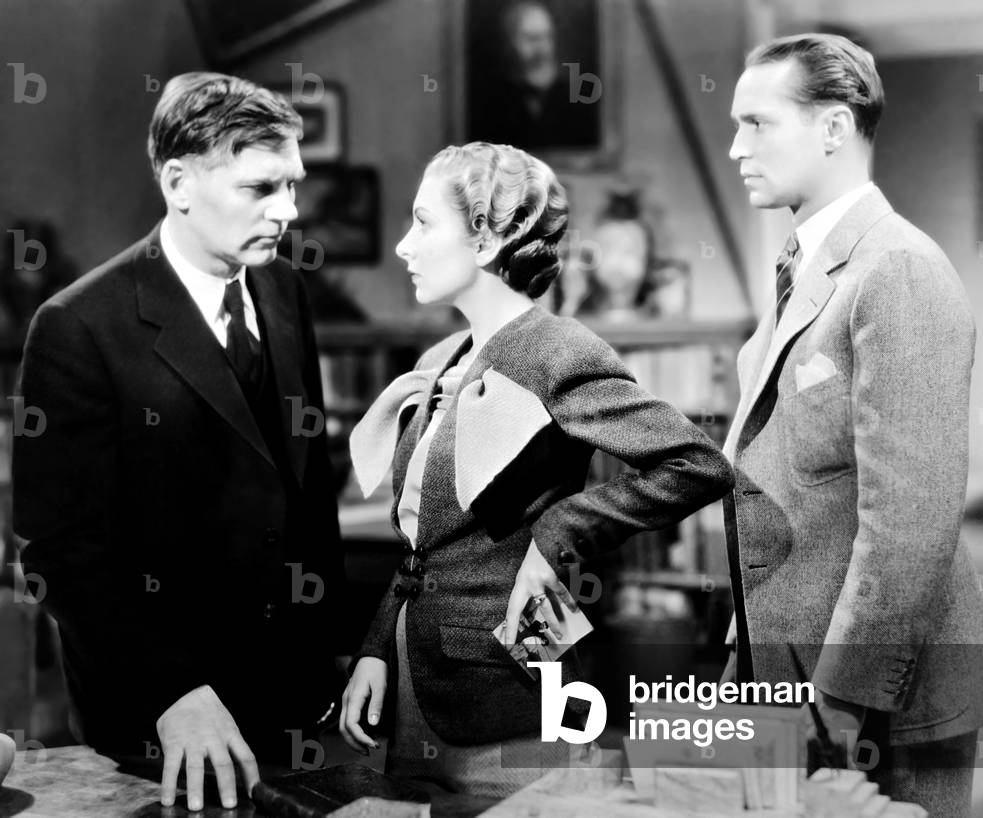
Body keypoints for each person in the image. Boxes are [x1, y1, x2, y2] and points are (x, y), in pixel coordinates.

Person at [340, 142, 733, 796]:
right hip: (414, 680)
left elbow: (695, 465)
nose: (404, 246)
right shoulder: (441, 356)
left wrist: (561, 530)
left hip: (507, 687)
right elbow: (423, 546)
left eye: (423, 222)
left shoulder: (559, 352)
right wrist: (376, 650)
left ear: (488, 237)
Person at [13, 73, 348, 811]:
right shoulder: (79, 326)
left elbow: (305, 487)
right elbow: (60, 551)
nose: (288, 212)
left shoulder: (285, 291)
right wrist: (174, 692)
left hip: (293, 707)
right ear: (179, 183)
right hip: (158, 721)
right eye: (261, 189)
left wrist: (339, 653)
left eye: (291, 186)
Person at [722, 34, 983, 817]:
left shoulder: (896, 269)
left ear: (833, 129)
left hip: (878, 703)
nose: (736, 146)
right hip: (788, 682)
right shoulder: (802, 268)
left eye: (757, 122)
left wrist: (837, 707)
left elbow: (907, 523)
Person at [469, 0, 599, 150]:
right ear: (509, 42)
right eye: (532, 39)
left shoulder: (577, 100)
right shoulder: (489, 102)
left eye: (547, 37)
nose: (542, 49)